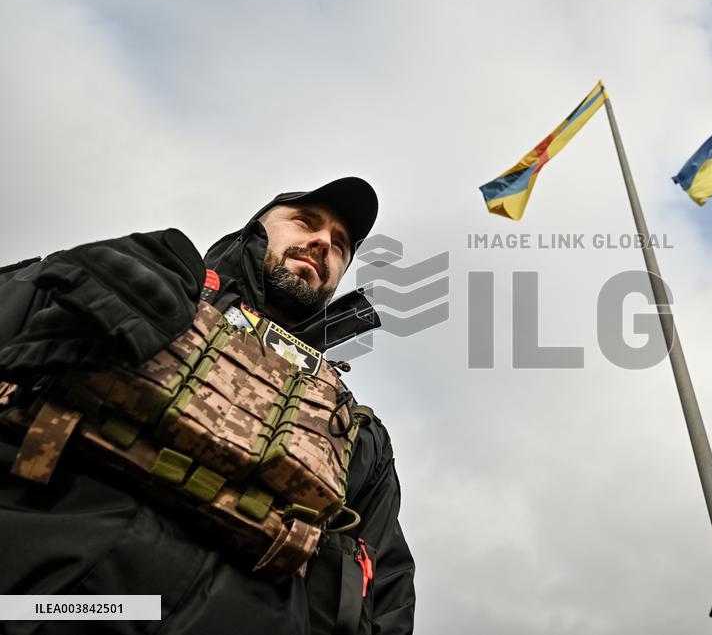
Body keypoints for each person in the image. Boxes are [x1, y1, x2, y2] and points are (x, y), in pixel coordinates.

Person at [0, 177, 416, 635]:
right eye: (304, 222)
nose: (322, 244)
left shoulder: (354, 433)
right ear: (252, 233)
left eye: (340, 246)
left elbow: (382, 596)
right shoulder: (123, 279)